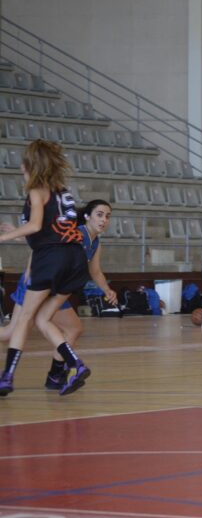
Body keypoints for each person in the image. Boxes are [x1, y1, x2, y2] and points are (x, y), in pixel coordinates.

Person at [0, 140, 95, 396]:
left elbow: (34, 226)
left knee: (25, 319)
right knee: (43, 319)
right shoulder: (62, 190)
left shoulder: (36, 190)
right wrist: (20, 234)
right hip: (75, 258)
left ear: (30, 164)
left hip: (51, 259)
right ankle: (76, 363)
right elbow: (51, 229)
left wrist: (5, 237)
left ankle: (6, 377)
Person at [0, 199, 117, 392]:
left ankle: (55, 375)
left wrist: (107, 290)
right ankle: (54, 373)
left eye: (107, 216)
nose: (104, 219)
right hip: (37, 282)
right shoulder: (76, 234)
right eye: (99, 214)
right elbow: (45, 249)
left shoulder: (95, 242)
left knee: (74, 328)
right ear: (87, 216)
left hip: (56, 288)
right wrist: (30, 272)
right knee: (10, 333)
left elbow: (95, 271)